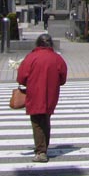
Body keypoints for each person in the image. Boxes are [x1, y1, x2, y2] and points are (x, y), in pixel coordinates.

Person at [16, 33, 68, 163]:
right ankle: (43, 147)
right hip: (51, 93)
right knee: (45, 119)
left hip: (34, 92)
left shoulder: (31, 57)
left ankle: (41, 151)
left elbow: (22, 77)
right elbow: (62, 78)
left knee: (37, 121)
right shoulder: (57, 58)